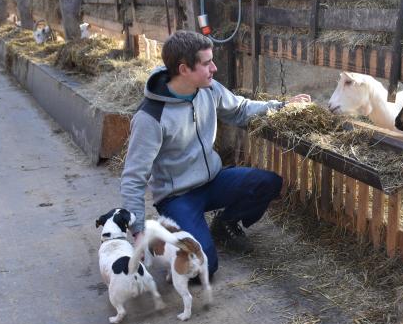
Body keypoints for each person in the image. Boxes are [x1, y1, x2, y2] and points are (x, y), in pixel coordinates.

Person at [121, 30, 310, 278]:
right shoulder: (150, 117)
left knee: (268, 182)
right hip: (177, 197)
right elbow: (133, 178)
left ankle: (225, 224)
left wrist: (282, 108)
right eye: (206, 62)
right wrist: (137, 231)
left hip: (212, 181)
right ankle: (168, 237)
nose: (214, 68)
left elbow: (240, 109)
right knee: (204, 268)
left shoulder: (207, 89)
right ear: (184, 69)